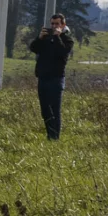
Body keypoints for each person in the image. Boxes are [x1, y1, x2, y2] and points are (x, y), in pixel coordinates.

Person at [29, 13, 74, 141]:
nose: (54, 26)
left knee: (55, 109)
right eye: (52, 24)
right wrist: (40, 38)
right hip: (43, 78)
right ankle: (50, 134)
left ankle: (55, 137)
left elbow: (63, 52)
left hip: (57, 79)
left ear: (63, 25)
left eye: (57, 24)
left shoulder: (67, 40)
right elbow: (33, 48)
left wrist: (58, 37)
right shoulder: (46, 38)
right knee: (45, 110)